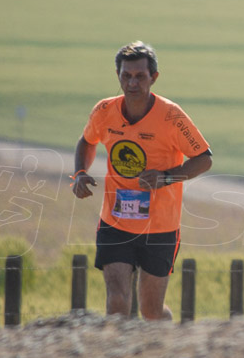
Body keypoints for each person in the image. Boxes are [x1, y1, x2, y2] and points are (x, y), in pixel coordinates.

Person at [72, 41, 212, 320]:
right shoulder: (104, 111)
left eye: (139, 76)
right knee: (117, 302)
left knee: (150, 311)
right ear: (117, 75)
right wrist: (80, 173)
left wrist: (167, 177)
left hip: (161, 226)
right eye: (126, 76)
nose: (132, 83)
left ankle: (158, 342)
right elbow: (86, 142)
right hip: (115, 221)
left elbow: (204, 158)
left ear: (154, 78)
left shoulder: (171, 115)